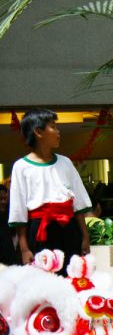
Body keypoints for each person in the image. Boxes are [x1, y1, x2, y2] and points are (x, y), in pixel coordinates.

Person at [7, 109, 91, 268]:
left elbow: (78, 204)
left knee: (71, 275)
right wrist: (24, 249)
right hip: (39, 231)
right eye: (53, 127)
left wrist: (85, 237)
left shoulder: (65, 162)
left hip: (69, 227)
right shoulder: (21, 167)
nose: (58, 132)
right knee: (43, 278)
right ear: (38, 132)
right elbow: (19, 211)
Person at [0, 184, 19, 265]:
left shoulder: (9, 216)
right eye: (0, 199)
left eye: (4, 199)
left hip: (10, 261)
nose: (3, 202)